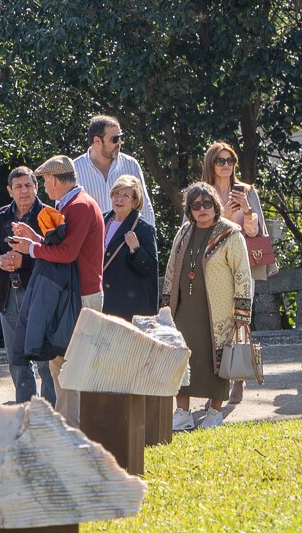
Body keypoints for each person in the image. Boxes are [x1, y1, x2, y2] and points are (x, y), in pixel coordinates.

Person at [9, 155, 105, 427]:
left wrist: (31, 248)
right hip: (75, 294)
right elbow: (67, 248)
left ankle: (72, 428)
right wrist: (35, 239)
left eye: (44, 181)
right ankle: (68, 425)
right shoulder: (74, 203)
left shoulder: (80, 206)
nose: (44, 187)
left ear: (53, 179)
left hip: (82, 296)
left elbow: (67, 253)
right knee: (61, 362)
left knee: (69, 365)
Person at [163, 182, 253, 431]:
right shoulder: (183, 232)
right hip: (184, 309)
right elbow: (170, 269)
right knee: (181, 357)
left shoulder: (230, 234)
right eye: (195, 206)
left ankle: (215, 411)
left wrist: (242, 313)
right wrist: (166, 306)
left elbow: (242, 274)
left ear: (215, 206)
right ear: (189, 210)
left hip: (219, 311)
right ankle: (182, 412)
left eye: (206, 204)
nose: (201, 209)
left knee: (217, 360)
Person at [200, 142, 274, 404]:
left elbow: (254, 231)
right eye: (220, 161)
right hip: (213, 268)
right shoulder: (203, 193)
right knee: (213, 324)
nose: (226, 165)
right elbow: (197, 228)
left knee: (241, 319)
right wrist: (225, 217)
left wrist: (246, 210)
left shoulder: (245, 191)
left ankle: (239, 378)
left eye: (230, 160)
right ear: (211, 164)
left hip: (242, 266)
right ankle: (217, 383)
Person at [0, 166, 55, 403]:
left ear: (37, 187)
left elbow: (58, 256)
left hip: (41, 294)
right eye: (18, 186)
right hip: (9, 295)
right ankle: (26, 410)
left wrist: (25, 261)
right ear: (9, 190)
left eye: (28, 185)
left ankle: (51, 412)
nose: (24, 191)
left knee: (47, 360)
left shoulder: (49, 216)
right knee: (17, 358)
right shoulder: (0, 217)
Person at [73, 115, 155, 225]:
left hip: (125, 235)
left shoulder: (130, 165)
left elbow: (144, 207)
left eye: (120, 137)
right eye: (114, 139)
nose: (119, 142)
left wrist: (148, 234)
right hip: (90, 235)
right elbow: (64, 211)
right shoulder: (74, 169)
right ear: (97, 141)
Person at [101, 175, 158, 321]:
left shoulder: (143, 228)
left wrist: (136, 249)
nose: (119, 199)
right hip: (102, 302)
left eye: (125, 196)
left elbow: (151, 268)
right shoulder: (101, 220)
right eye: (116, 194)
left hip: (127, 308)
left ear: (134, 201)